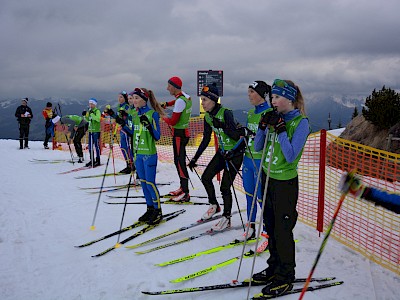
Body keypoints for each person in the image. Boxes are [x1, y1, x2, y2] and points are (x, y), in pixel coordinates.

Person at [252, 79, 310, 297]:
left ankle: (285, 276)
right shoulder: (275, 117)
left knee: (283, 232)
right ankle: (274, 268)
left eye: (277, 97)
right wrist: (262, 127)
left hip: (285, 183)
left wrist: (281, 130)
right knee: (270, 227)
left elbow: (291, 155)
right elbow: (258, 147)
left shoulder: (300, 122)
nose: (273, 101)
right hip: (268, 178)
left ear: (289, 98)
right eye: (272, 97)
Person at [188, 84, 243, 231]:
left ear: (213, 100)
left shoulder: (226, 113)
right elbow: (206, 139)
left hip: (235, 154)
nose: (202, 103)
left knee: (225, 186)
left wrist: (223, 126)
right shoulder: (208, 117)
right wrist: (195, 159)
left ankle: (227, 218)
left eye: (205, 100)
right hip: (222, 153)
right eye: (201, 100)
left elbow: (237, 136)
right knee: (206, 177)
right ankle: (214, 205)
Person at [235, 81, 272, 254]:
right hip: (248, 159)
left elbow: (269, 139)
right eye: (248, 91)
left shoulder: (269, 113)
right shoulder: (251, 113)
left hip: (261, 161)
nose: (249, 95)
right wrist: (233, 150)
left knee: (261, 198)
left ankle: (266, 233)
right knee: (249, 194)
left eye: (252, 92)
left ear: (261, 94)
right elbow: (246, 136)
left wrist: (254, 135)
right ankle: (250, 227)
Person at [117, 88, 164, 225]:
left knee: (150, 183)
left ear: (144, 99)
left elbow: (157, 136)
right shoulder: (135, 114)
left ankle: (157, 210)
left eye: (137, 98)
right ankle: (150, 209)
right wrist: (123, 124)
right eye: (133, 98)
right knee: (143, 183)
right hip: (138, 154)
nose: (134, 100)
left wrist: (149, 126)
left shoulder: (152, 114)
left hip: (149, 154)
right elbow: (132, 133)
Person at [161, 77, 192, 202]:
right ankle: (182, 187)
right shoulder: (185, 97)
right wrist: (167, 104)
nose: (167, 88)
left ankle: (185, 192)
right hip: (183, 133)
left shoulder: (180, 101)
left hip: (179, 134)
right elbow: (177, 101)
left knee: (180, 163)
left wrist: (162, 116)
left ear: (174, 86)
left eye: (169, 86)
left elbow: (173, 121)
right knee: (179, 161)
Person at [82, 98, 101, 167]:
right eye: (90, 103)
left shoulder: (97, 111)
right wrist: (85, 115)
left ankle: (98, 160)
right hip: (90, 130)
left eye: (92, 104)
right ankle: (92, 159)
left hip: (96, 130)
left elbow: (98, 119)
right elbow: (87, 119)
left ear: (95, 104)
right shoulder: (89, 111)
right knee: (90, 146)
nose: (90, 105)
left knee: (96, 145)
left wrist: (92, 115)